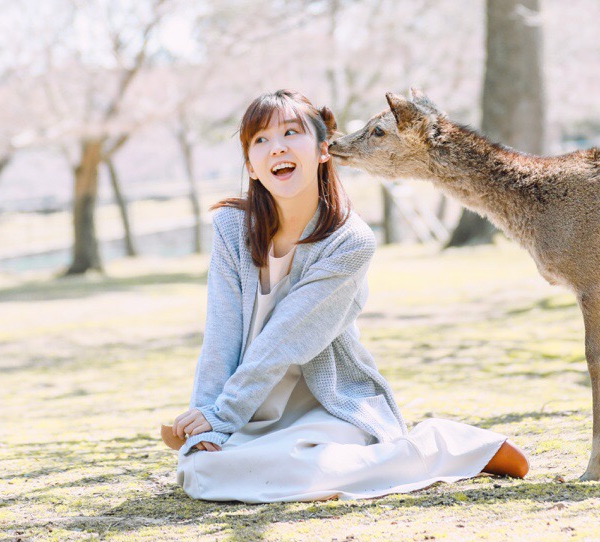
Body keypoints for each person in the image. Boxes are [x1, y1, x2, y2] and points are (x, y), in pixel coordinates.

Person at [162, 89, 529, 503]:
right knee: (201, 474)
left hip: (327, 407)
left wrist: (221, 418)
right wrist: (207, 420)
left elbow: (283, 340)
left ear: (323, 150)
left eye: (290, 133)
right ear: (250, 164)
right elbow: (220, 335)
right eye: (260, 140)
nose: (276, 147)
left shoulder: (349, 241)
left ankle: (443, 446)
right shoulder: (232, 228)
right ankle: (378, 462)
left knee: (296, 469)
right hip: (248, 408)